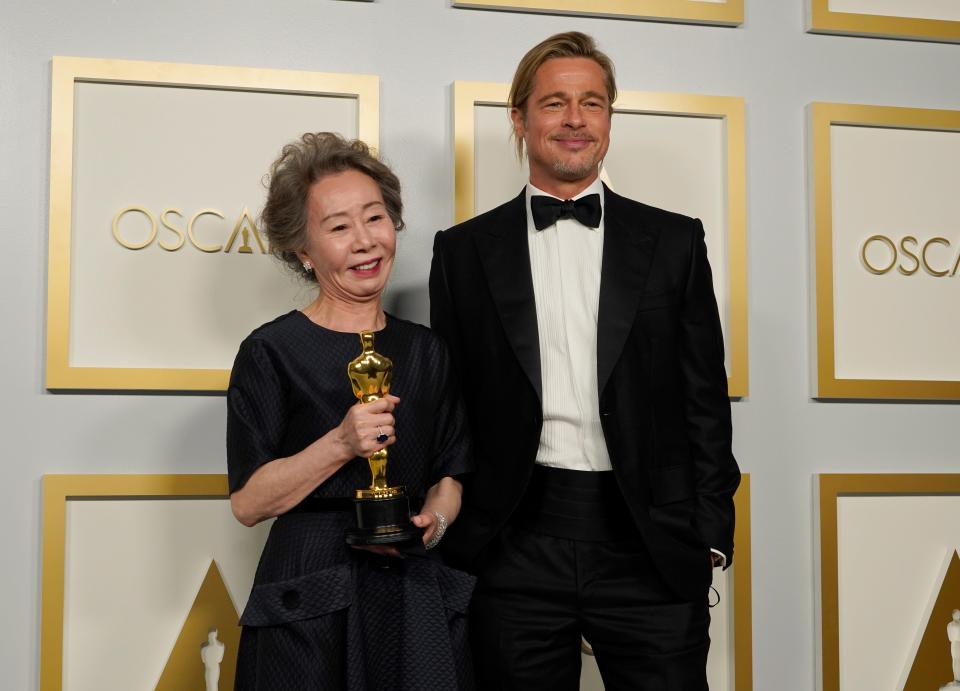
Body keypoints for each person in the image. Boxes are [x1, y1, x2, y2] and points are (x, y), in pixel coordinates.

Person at [429, 32, 740, 690]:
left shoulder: (675, 241)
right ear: (519, 119)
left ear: (608, 119)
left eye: (592, 103)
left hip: (649, 543)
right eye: (555, 103)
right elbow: (451, 404)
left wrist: (707, 531)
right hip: (516, 544)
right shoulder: (462, 252)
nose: (575, 120)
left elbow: (704, 398)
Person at [227, 132, 474, 690]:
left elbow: (451, 473)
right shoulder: (270, 352)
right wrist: (340, 442)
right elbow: (247, 502)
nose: (365, 242)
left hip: (413, 588)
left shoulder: (427, 350)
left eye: (375, 218)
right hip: (307, 596)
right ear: (304, 251)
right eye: (339, 227)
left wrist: (435, 521)